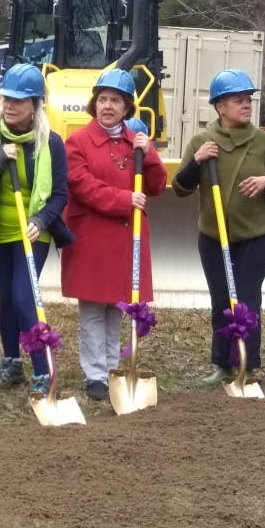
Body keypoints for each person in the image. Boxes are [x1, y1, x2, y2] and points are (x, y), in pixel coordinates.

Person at [0, 63, 73, 394]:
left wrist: (40, 220)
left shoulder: (50, 143)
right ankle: (12, 363)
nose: (9, 105)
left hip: (33, 233)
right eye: (6, 98)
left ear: (35, 105)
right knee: (6, 298)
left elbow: (60, 194)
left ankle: (42, 368)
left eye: (18, 101)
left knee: (25, 298)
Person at [173, 69, 265, 385]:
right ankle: (222, 365)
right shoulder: (202, 142)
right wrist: (196, 161)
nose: (247, 105)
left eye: (248, 99)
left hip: (257, 236)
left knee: (248, 298)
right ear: (219, 106)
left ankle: (247, 365)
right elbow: (181, 187)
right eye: (238, 99)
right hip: (213, 237)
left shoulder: (263, 141)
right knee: (222, 300)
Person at [61, 69, 167, 402]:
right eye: (103, 99)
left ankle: (111, 369)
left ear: (127, 108)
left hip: (125, 240)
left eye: (116, 100)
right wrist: (125, 201)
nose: (108, 106)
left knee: (115, 308)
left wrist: (147, 152)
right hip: (91, 237)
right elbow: (82, 186)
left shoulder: (134, 144)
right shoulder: (76, 143)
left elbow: (157, 185)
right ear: (95, 104)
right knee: (93, 307)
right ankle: (95, 374)